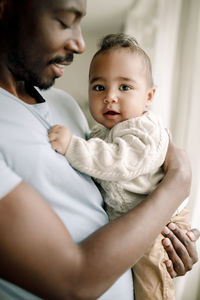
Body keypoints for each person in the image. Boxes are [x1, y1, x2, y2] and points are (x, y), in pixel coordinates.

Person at [0, 1, 199, 300]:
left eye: (125, 87)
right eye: (64, 21)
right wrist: (178, 182)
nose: (80, 44)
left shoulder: (64, 104)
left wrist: (162, 243)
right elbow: (72, 282)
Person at [48, 33, 192, 300]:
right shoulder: (101, 132)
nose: (110, 97)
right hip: (136, 222)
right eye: (99, 87)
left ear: (148, 96)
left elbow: (119, 162)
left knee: (151, 286)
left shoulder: (143, 129)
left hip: (162, 225)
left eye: (124, 87)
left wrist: (73, 147)